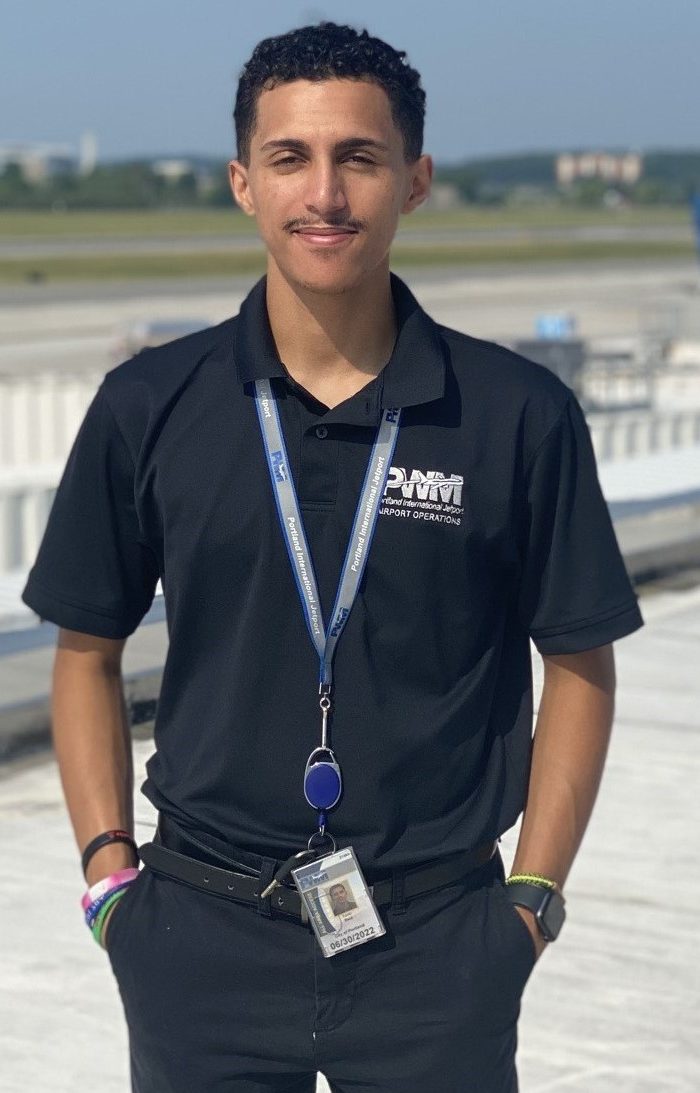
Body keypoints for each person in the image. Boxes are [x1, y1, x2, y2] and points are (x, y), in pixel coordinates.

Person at [21, 20, 644, 1093]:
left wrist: (532, 899)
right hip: (199, 933)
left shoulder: (517, 414)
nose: (324, 193)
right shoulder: (147, 405)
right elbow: (86, 647)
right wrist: (109, 881)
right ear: (242, 184)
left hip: (438, 941)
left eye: (359, 157)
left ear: (415, 181)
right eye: (289, 158)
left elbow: (580, 659)